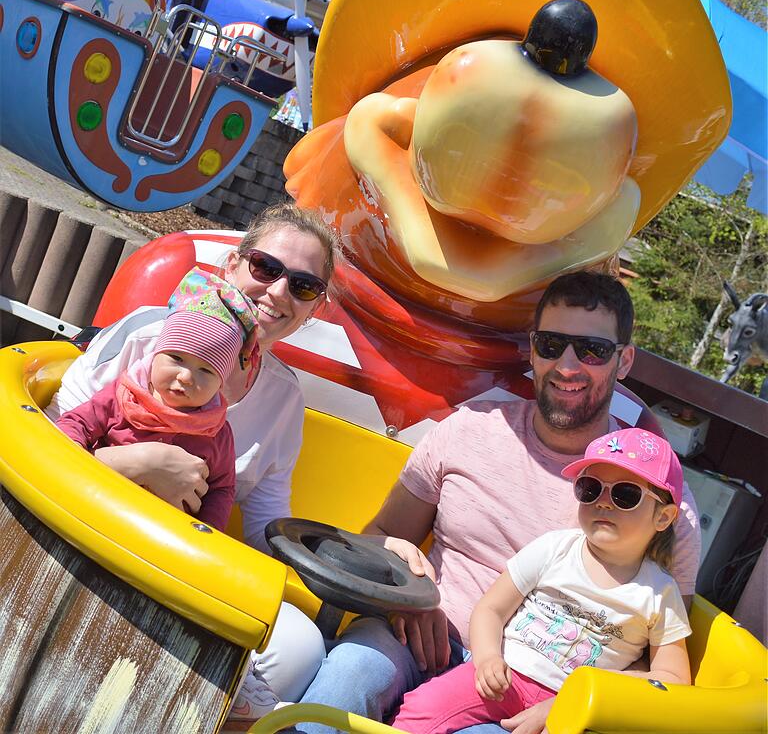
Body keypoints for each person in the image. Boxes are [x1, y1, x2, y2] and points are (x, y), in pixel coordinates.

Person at [297, 271, 701, 734]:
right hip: (417, 635)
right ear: (532, 350)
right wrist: (401, 593)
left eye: (592, 350)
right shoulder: (468, 429)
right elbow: (379, 536)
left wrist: (578, 701)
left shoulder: (658, 498)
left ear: (623, 360)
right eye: (551, 344)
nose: (567, 365)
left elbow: (659, 656)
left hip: (533, 693)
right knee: (350, 672)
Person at [46, 202, 339, 717]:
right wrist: (139, 463)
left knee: (298, 645)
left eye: (303, 286)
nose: (277, 293)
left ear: (314, 309)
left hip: (179, 547)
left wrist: (322, 568)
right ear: (232, 265)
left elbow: (266, 522)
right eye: (266, 268)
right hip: (79, 523)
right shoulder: (146, 335)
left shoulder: (283, 398)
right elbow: (50, 440)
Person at [391, 427, 691, 733]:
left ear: (663, 517)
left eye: (625, 494)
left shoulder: (660, 594)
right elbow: (491, 609)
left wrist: (596, 693)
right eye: (590, 488)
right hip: (504, 675)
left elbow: (673, 679)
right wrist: (487, 658)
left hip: (571, 708)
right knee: (423, 707)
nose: (602, 502)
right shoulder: (555, 548)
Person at [55, 267, 259, 532]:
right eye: (176, 358)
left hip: (162, 535)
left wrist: (206, 534)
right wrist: (68, 460)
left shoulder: (216, 431)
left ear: (221, 383)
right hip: (95, 506)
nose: (186, 376)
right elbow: (74, 424)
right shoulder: (124, 394)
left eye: (206, 370)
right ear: (155, 355)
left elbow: (222, 488)